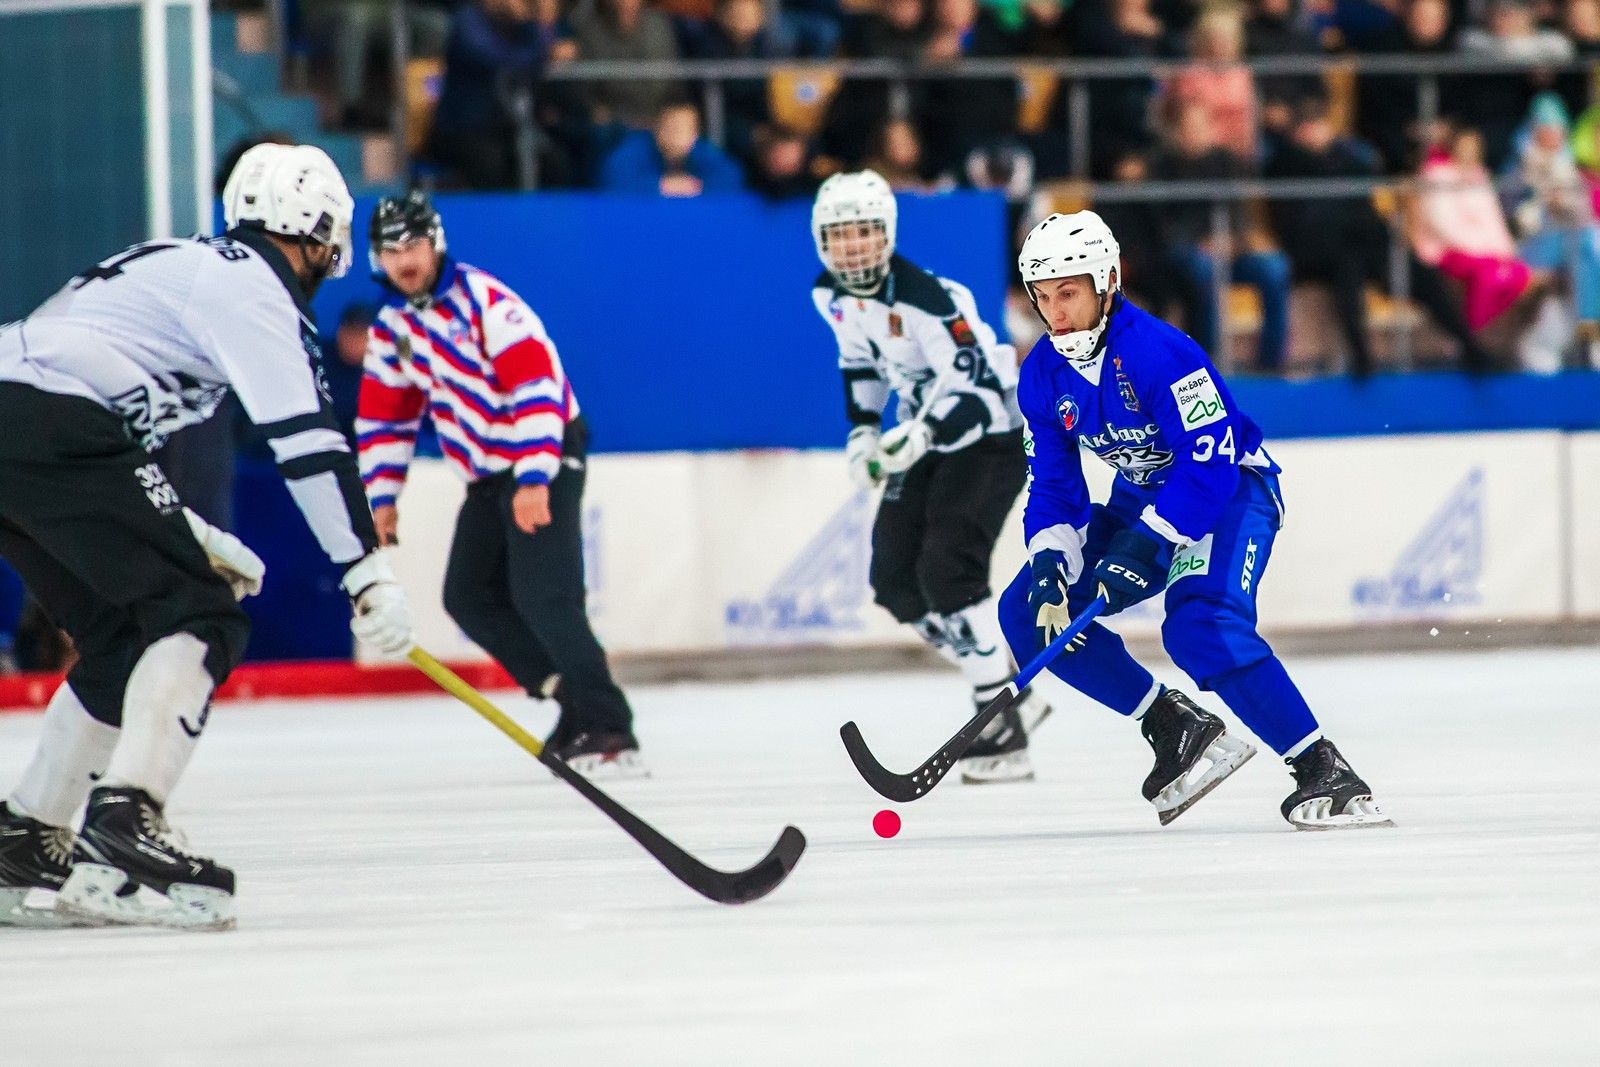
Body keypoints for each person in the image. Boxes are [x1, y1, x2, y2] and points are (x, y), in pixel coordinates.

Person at [0, 143, 413, 929]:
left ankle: (25, 833)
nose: (332, 258)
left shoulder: (183, 264)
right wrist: (366, 572)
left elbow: (85, 390)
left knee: (124, 638)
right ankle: (128, 823)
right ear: (314, 227)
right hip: (54, 420)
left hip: (24, 415)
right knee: (201, 615)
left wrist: (181, 527)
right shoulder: (253, 287)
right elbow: (310, 441)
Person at [998, 209, 1395, 830]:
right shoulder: (1041, 375)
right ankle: (1176, 729)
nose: (1055, 313)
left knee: (1198, 625)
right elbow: (1053, 486)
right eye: (1042, 297)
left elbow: (1209, 465)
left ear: (1107, 281)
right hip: (1147, 497)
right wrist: (1051, 560)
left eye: (1068, 293)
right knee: (1027, 612)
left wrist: (1149, 542)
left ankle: (1324, 769)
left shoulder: (1160, 353)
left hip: (1232, 491)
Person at [357, 192, 645, 779]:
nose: (403, 260)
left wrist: (535, 475)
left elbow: (537, 388)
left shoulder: (489, 304)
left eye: (412, 245)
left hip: (542, 452)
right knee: (468, 597)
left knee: (546, 594)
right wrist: (382, 498)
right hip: (487, 474)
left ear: (435, 244)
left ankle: (611, 727)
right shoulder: (395, 329)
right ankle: (569, 699)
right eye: (391, 251)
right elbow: (386, 418)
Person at [808, 171, 1050, 784]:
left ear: (887, 234)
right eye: (839, 236)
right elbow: (860, 359)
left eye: (865, 233)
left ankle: (998, 720)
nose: (853, 249)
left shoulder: (928, 299)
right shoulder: (828, 295)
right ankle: (1005, 685)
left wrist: (917, 433)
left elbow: (976, 389)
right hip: (928, 440)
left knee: (949, 574)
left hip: (988, 438)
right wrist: (863, 430)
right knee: (893, 581)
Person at [597, 99, 745, 196]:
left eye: (684, 128)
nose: (676, 135)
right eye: (670, 127)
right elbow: (612, 178)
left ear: (695, 133)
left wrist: (695, 186)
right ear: (657, 129)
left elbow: (732, 177)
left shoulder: (703, 151)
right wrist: (661, 186)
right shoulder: (636, 147)